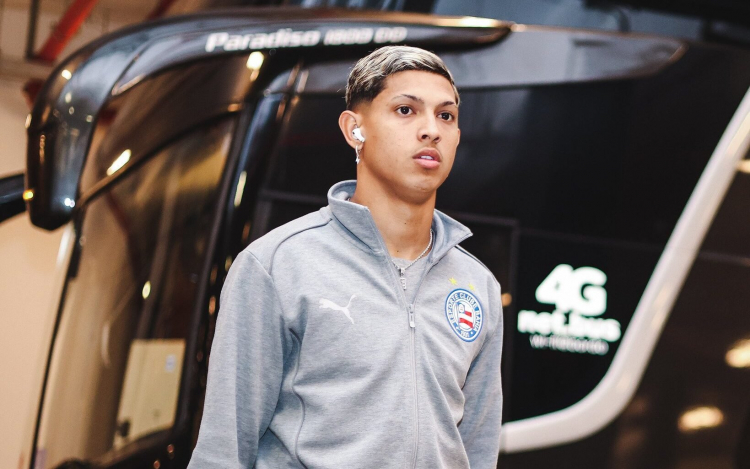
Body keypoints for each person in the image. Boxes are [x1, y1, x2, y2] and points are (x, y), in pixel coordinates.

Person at [188, 45, 504, 469]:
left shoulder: (477, 285)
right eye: (406, 110)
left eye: (445, 116)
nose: (431, 130)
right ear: (355, 129)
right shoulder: (277, 264)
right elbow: (223, 452)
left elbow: (478, 452)